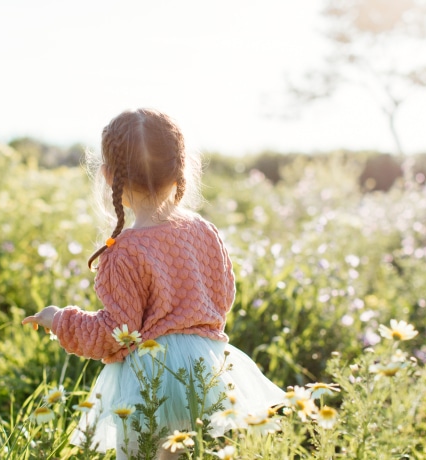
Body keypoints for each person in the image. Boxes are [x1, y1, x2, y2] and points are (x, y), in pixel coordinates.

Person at [22, 108, 284, 459]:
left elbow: (115, 332)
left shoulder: (125, 251)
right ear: (180, 168)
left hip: (151, 372)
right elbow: (222, 298)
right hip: (203, 367)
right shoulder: (204, 232)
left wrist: (59, 320)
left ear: (108, 175)